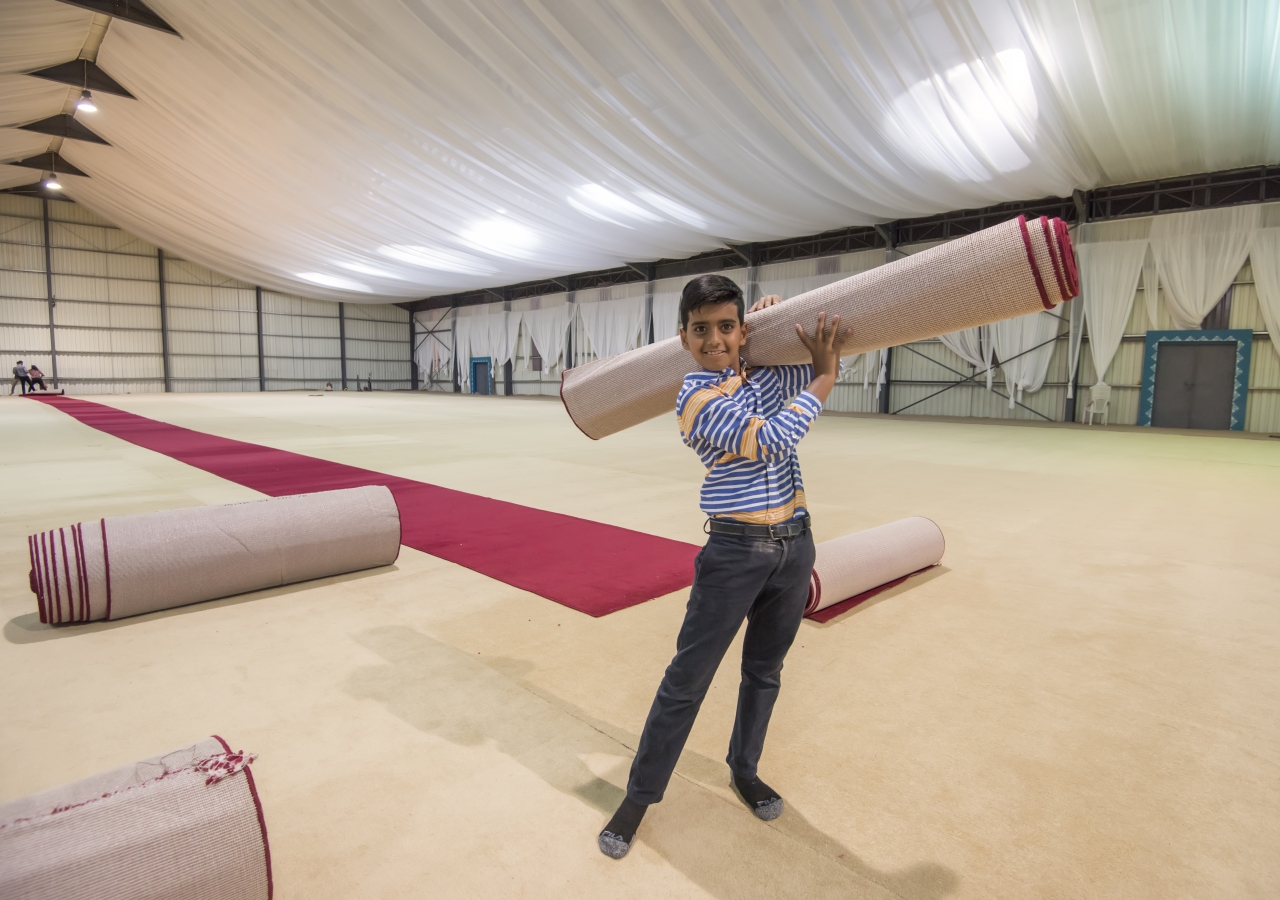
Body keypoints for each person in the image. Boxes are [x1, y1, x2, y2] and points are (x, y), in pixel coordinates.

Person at [597, 275, 850, 859]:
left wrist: (784, 321)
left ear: (742, 331)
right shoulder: (694, 399)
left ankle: (744, 769)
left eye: (727, 326)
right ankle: (638, 798)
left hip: (795, 545)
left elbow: (815, 360)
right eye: (702, 329)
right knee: (686, 683)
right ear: (683, 337)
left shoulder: (759, 374)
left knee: (765, 672)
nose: (715, 339)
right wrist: (825, 380)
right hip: (734, 554)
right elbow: (772, 440)